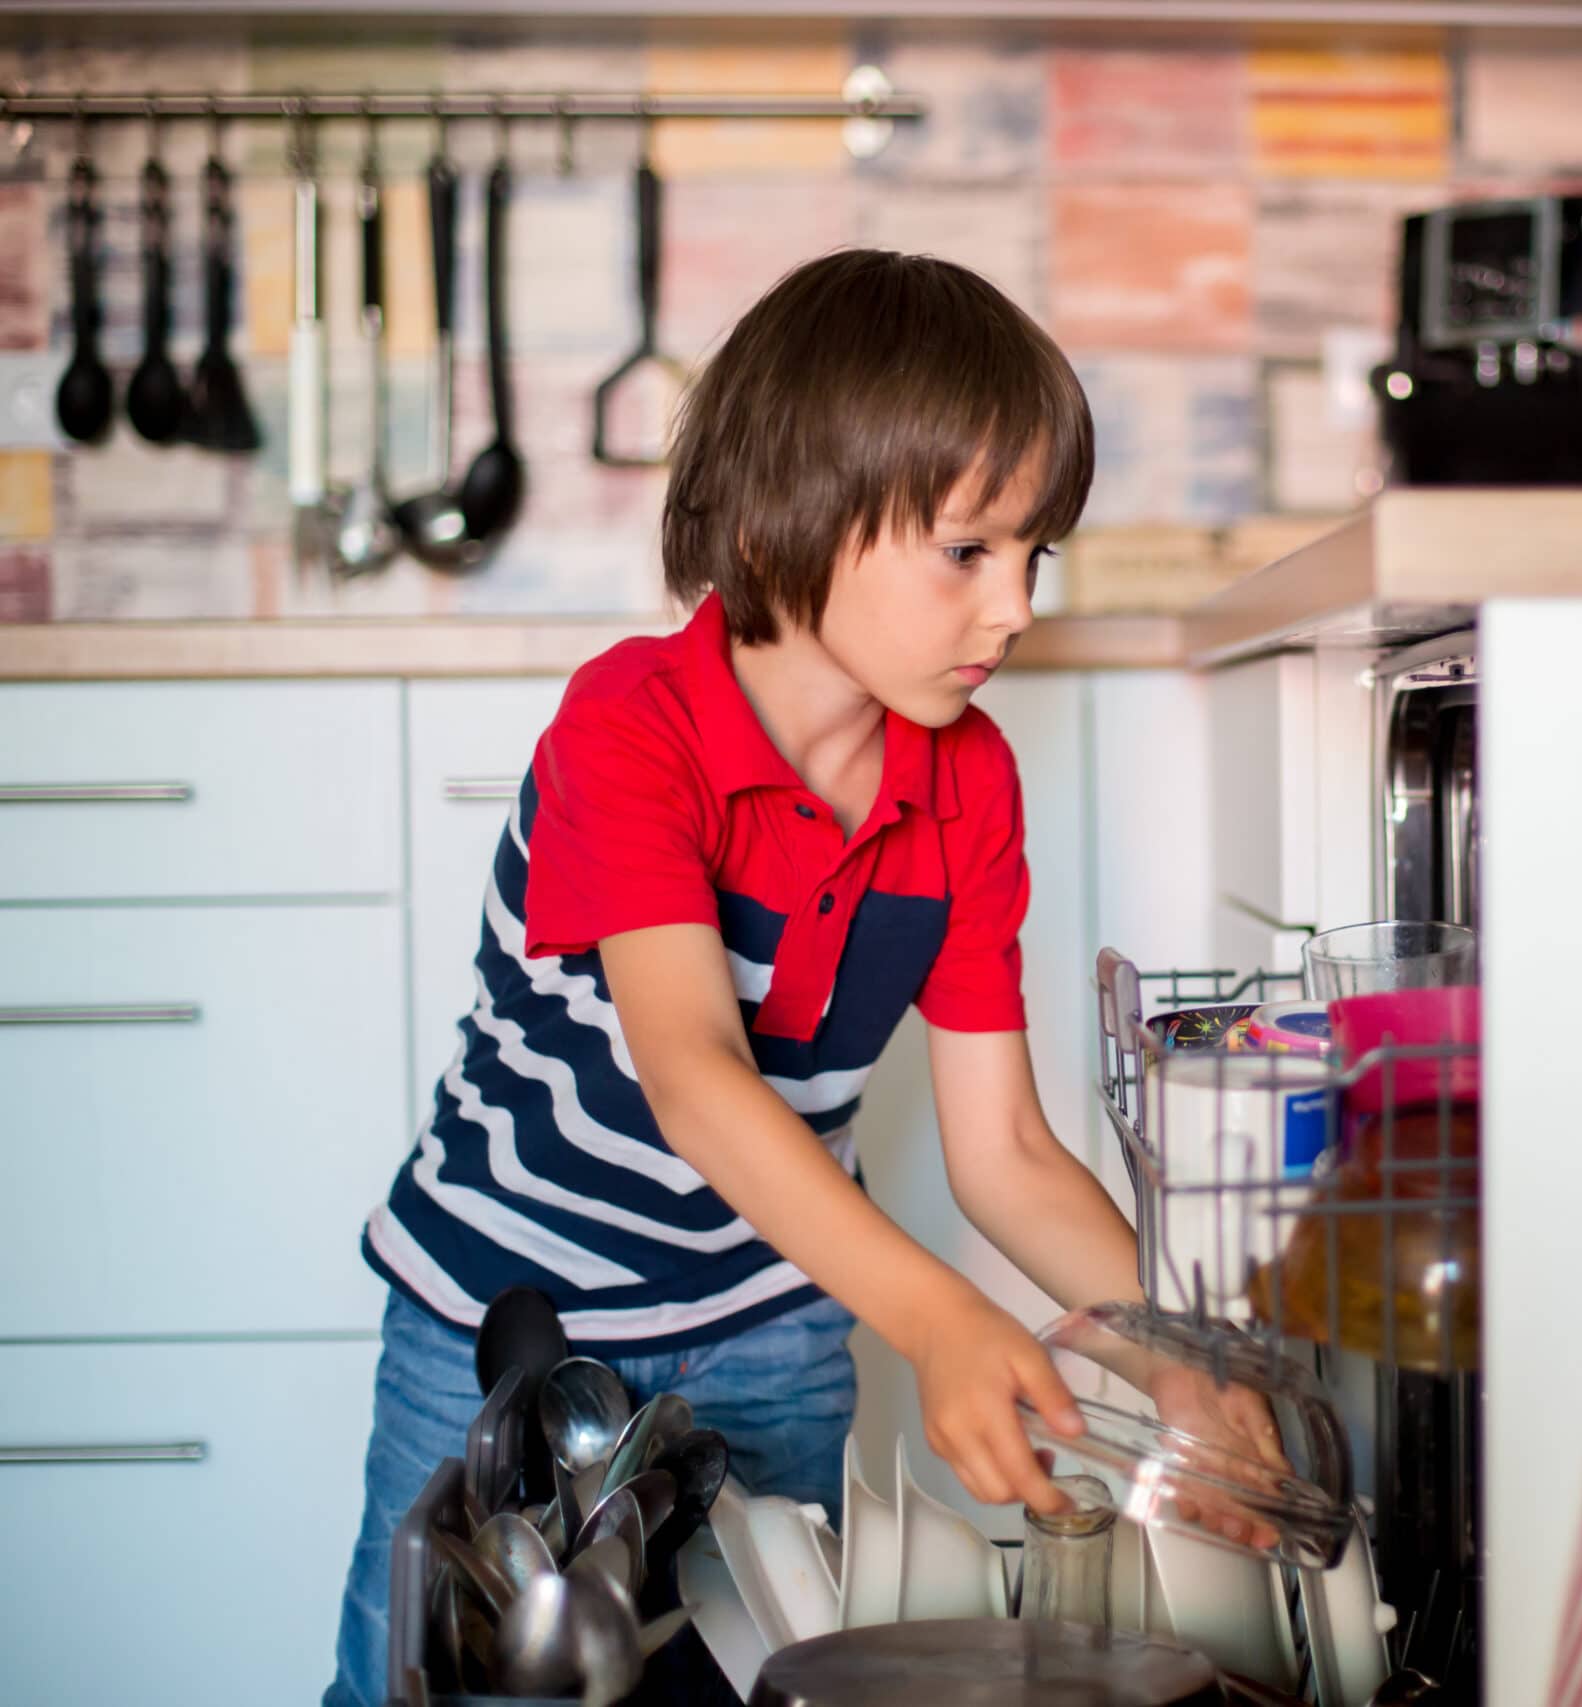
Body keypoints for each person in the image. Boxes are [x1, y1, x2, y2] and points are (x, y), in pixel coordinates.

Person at [322, 251, 1142, 1706]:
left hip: (772, 1327)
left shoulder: (970, 783)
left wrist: (1185, 1349)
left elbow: (1005, 1151)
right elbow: (695, 1077)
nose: (1015, 609)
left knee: (754, 1687)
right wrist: (943, 1317)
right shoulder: (631, 729)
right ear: (792, 521)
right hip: (513, 1321)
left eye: (1037, 556)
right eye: (969, 551)